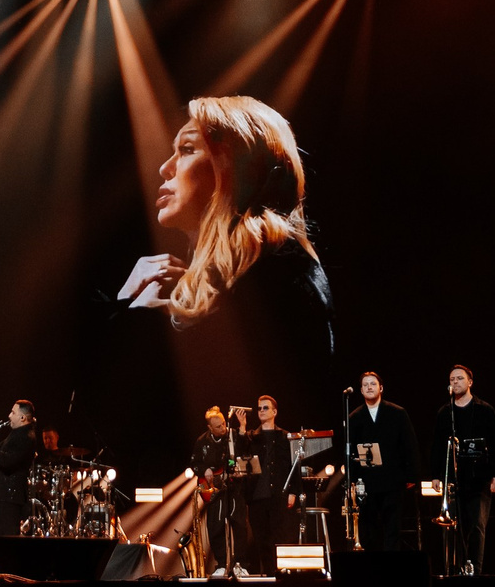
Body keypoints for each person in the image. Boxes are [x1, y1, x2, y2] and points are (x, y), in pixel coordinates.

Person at [115, 96, 336, 431]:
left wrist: (140, 319)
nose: (165, 167)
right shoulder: (220, 283)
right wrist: (128, 306)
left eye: (187, 149)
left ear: (237, 163)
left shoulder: (275, 273)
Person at [432, 365, 495, 576]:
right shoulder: (445, 412)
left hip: (479, 478)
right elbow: (438, 446)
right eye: (452, 379)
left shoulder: (485, 410)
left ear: (470, 382)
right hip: (455, 480)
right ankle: (456, 571)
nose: (455, 382)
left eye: (459, 378)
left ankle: (475, 570)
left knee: (476, 527)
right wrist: (436, 475)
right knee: (455, 528)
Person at [346, 370, 418, 550]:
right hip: (366, 482)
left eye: (373, 384)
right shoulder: (354, 417)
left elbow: (410, 445)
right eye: (365, 385)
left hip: (392, 480)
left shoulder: (397, 413)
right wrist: (351, 480)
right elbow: (350, 450)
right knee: (369, 529)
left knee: (393, 528)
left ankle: (392, 571)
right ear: (361, 391)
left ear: (381, 388)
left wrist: (411, 475)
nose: (369, 387)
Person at [188, 405, 244, 573]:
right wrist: (204, 469)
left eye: (223, 424)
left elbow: (244, 449)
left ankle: (240, 565)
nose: (223, 428)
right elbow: (193, 463)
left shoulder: (232, 436)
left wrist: (242, 428)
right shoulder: (201, 441)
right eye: (218, 426)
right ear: (210, 427)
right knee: (215, 526)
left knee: (239, 525)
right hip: (214, 489)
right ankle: (221, 565)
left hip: (234, 486)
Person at [0, 399, 42, 537]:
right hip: (3, 496)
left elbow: (6, 461)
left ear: (23, 417)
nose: (9, 415)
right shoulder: (16, 433)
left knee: (3, 541)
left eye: (13, 412)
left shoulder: (26, 437)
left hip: (10, 498)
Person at [245, 394, 294, 573]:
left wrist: (293, 491)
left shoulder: (285, 436)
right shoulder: (252, 437)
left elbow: (293, 464)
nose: (261, 411)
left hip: (278, 494)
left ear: (274, 411)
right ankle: (266, 573)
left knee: (280, 536)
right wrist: (243, 429)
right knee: (261, 538)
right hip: (257, 495)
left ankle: (281, 572)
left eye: (265, 408)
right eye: (259, 408)